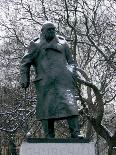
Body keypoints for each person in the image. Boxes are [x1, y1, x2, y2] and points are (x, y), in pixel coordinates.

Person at [20, 21, 80, 138]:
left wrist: (72, 74)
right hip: (45, 83)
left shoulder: (63, 43)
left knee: (70, 106)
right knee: (46, 109)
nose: (52, 31)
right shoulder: (35, 45)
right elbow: (25, 63)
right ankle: (49, 135)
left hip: (64, 82)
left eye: (53, 29)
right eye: (49, 29)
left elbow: (71, 62)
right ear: (43, 31)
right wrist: (24, 77)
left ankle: (76, 133)